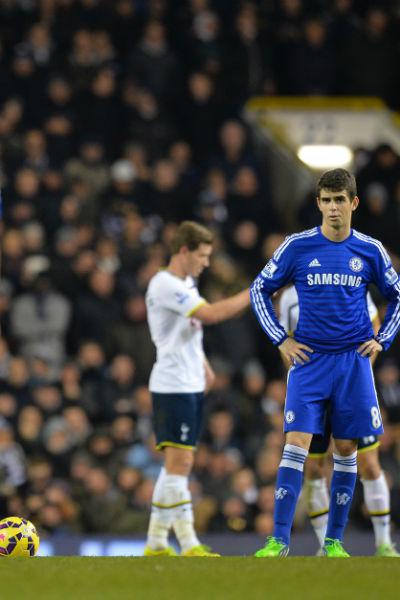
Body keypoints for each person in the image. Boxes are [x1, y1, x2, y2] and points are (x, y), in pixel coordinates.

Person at [251, 168, 400, 557]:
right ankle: (279, 540)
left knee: (347, 450)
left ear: (354, 203)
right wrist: (281, 339)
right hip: (310, 362)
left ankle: (334, 542)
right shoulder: (297, 246)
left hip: (353, 363)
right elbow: (259, 289)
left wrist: (382, 340)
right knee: (295, 444)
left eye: (340, 200)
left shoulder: (370, 250)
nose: (333, 208)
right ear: (318, 203)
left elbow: (397, 297)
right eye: (326, 200)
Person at [143, 221, 251, 556]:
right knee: (182, 463)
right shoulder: (164, 284)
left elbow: (189, 329)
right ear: (184, 251)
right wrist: (254, 292)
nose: (206, 262)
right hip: (172, 384)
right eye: (202, 255)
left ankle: (156, 541)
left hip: (188, 382)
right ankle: (188, 542)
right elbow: (210, 314)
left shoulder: (186, 282)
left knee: (175, 463)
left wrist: (202, 364)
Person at [278, 285, 398, 556]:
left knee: (368, 463)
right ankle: (326, 546)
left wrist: (358, 378)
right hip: (313, 391)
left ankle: (384, 542)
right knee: (314, 467)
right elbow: (286, 345)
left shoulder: (350, 279)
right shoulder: (289, 297)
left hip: (350, 386)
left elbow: (374, 326)